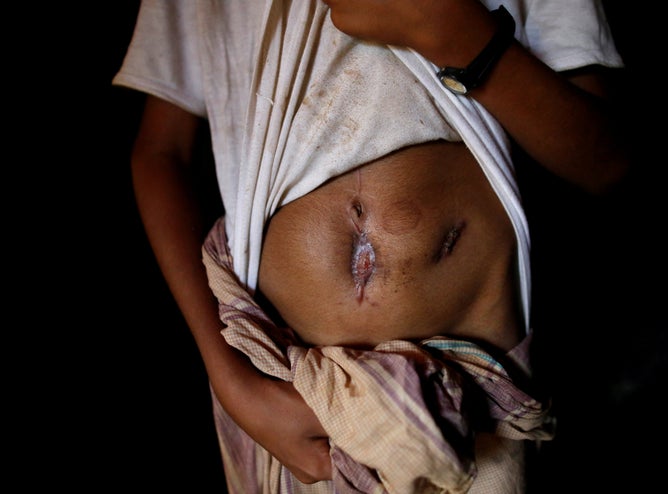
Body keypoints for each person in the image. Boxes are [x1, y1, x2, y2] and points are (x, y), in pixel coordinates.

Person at [113, 0, 630, 492]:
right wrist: (231, 381)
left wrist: (466, 41)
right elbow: (160, 153)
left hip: (474, 398)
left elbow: (609, 165)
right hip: (297, 402)